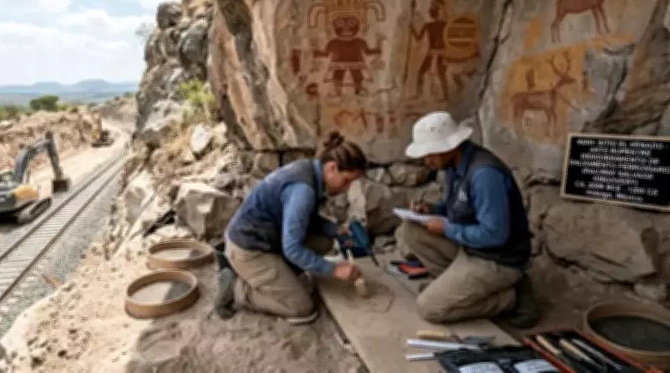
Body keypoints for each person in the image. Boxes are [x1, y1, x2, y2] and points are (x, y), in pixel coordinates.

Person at [396, 111, 540, 328]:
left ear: (450, 146)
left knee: (429, 308)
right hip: (471, 247)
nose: (427, 161)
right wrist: (433, 209)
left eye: (430, 153)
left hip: (497, 259)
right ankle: (455, 288)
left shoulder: (484, 175)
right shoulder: (454, 165)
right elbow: (461, 208)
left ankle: (511, 296)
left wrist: (446, 228)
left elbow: (494, 234)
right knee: (412, 230)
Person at [215, 131, 368, 324]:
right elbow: (292, 248)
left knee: (324, 241)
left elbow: (303, 220)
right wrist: (334, 270)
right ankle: (236, 289)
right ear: (332, 167)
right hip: (249, 249)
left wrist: (335, 229)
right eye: (346, 180)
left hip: (267, 238)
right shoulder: (303, 191)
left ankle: (282, 276)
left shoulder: (310, 169)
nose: (347, 187)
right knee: (301, 307)